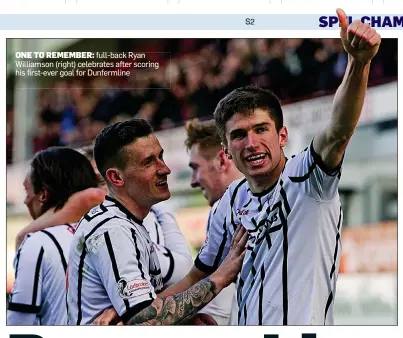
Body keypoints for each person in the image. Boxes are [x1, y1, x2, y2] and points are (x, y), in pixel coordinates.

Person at [130, 10, 380, 325]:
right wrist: (137, 315)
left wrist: (358, 63)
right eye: (239, 135)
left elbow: (338, 130)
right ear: (226, 150)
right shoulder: (229, 203)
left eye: (261, 129)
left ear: (282, 136)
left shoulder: (308, 177)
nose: (251, 143)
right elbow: (198, 277)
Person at [66, 119, 247, 325]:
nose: (165, 169)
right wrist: (220, 278)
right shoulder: (113, 230)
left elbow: (146, 309)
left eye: (160, 156)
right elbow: (144, 322)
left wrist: (185, 317)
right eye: (148, 162)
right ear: (116, 177)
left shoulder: (131, 224)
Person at [7, 147, 99, 325]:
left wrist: (23, 237)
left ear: (43, 194)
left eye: (27, 192)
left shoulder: (38, 243)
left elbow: (19, 324)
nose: (26, 201)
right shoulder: (115, 232)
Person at [185, 118, 243, 325]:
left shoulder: (226, 206)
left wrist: (139, 314)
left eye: (195, 167)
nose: (192, 181)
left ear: (221, 161)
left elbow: (194, 279)